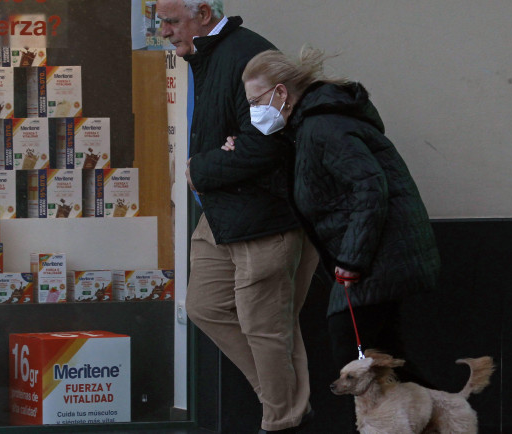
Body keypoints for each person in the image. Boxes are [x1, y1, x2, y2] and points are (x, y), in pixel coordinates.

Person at [237, 46, 441, 431]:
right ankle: (440, 420)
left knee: (355, 353)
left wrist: (352, 259)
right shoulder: (310, 128)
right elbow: (314, 187)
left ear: (281, 93)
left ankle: (422, 421)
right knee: (383, 356)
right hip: (381, 254)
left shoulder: (322, 127)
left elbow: (369, 187)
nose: (254, 110)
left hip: (379, 256)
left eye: (256, 100)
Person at [156, 1, 318, 432]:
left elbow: (267, 144)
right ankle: (283, 397)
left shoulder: (249, 55)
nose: (164, 31)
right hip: (223, 212)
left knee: (267, 327)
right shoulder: (204, 56)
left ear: (204, 13)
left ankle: (281, 419)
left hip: (263, 217)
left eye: (172, 21)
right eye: (159, 21)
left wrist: (201, 169)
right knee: (205, 306)